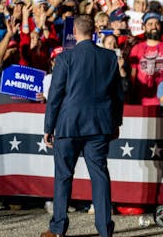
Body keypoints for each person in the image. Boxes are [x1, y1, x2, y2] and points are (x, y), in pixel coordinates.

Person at [42, 15, 124, 237]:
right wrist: (116, 122)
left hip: (68, 125)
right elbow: (118, 94)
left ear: (75, 33)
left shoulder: (66, 57)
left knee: (63, 177)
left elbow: (55, 95)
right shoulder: (109, 57)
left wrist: (48, 127)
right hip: (99, 126)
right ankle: (105, 230)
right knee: (99, 175)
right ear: (94, 32)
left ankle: (58, 229)